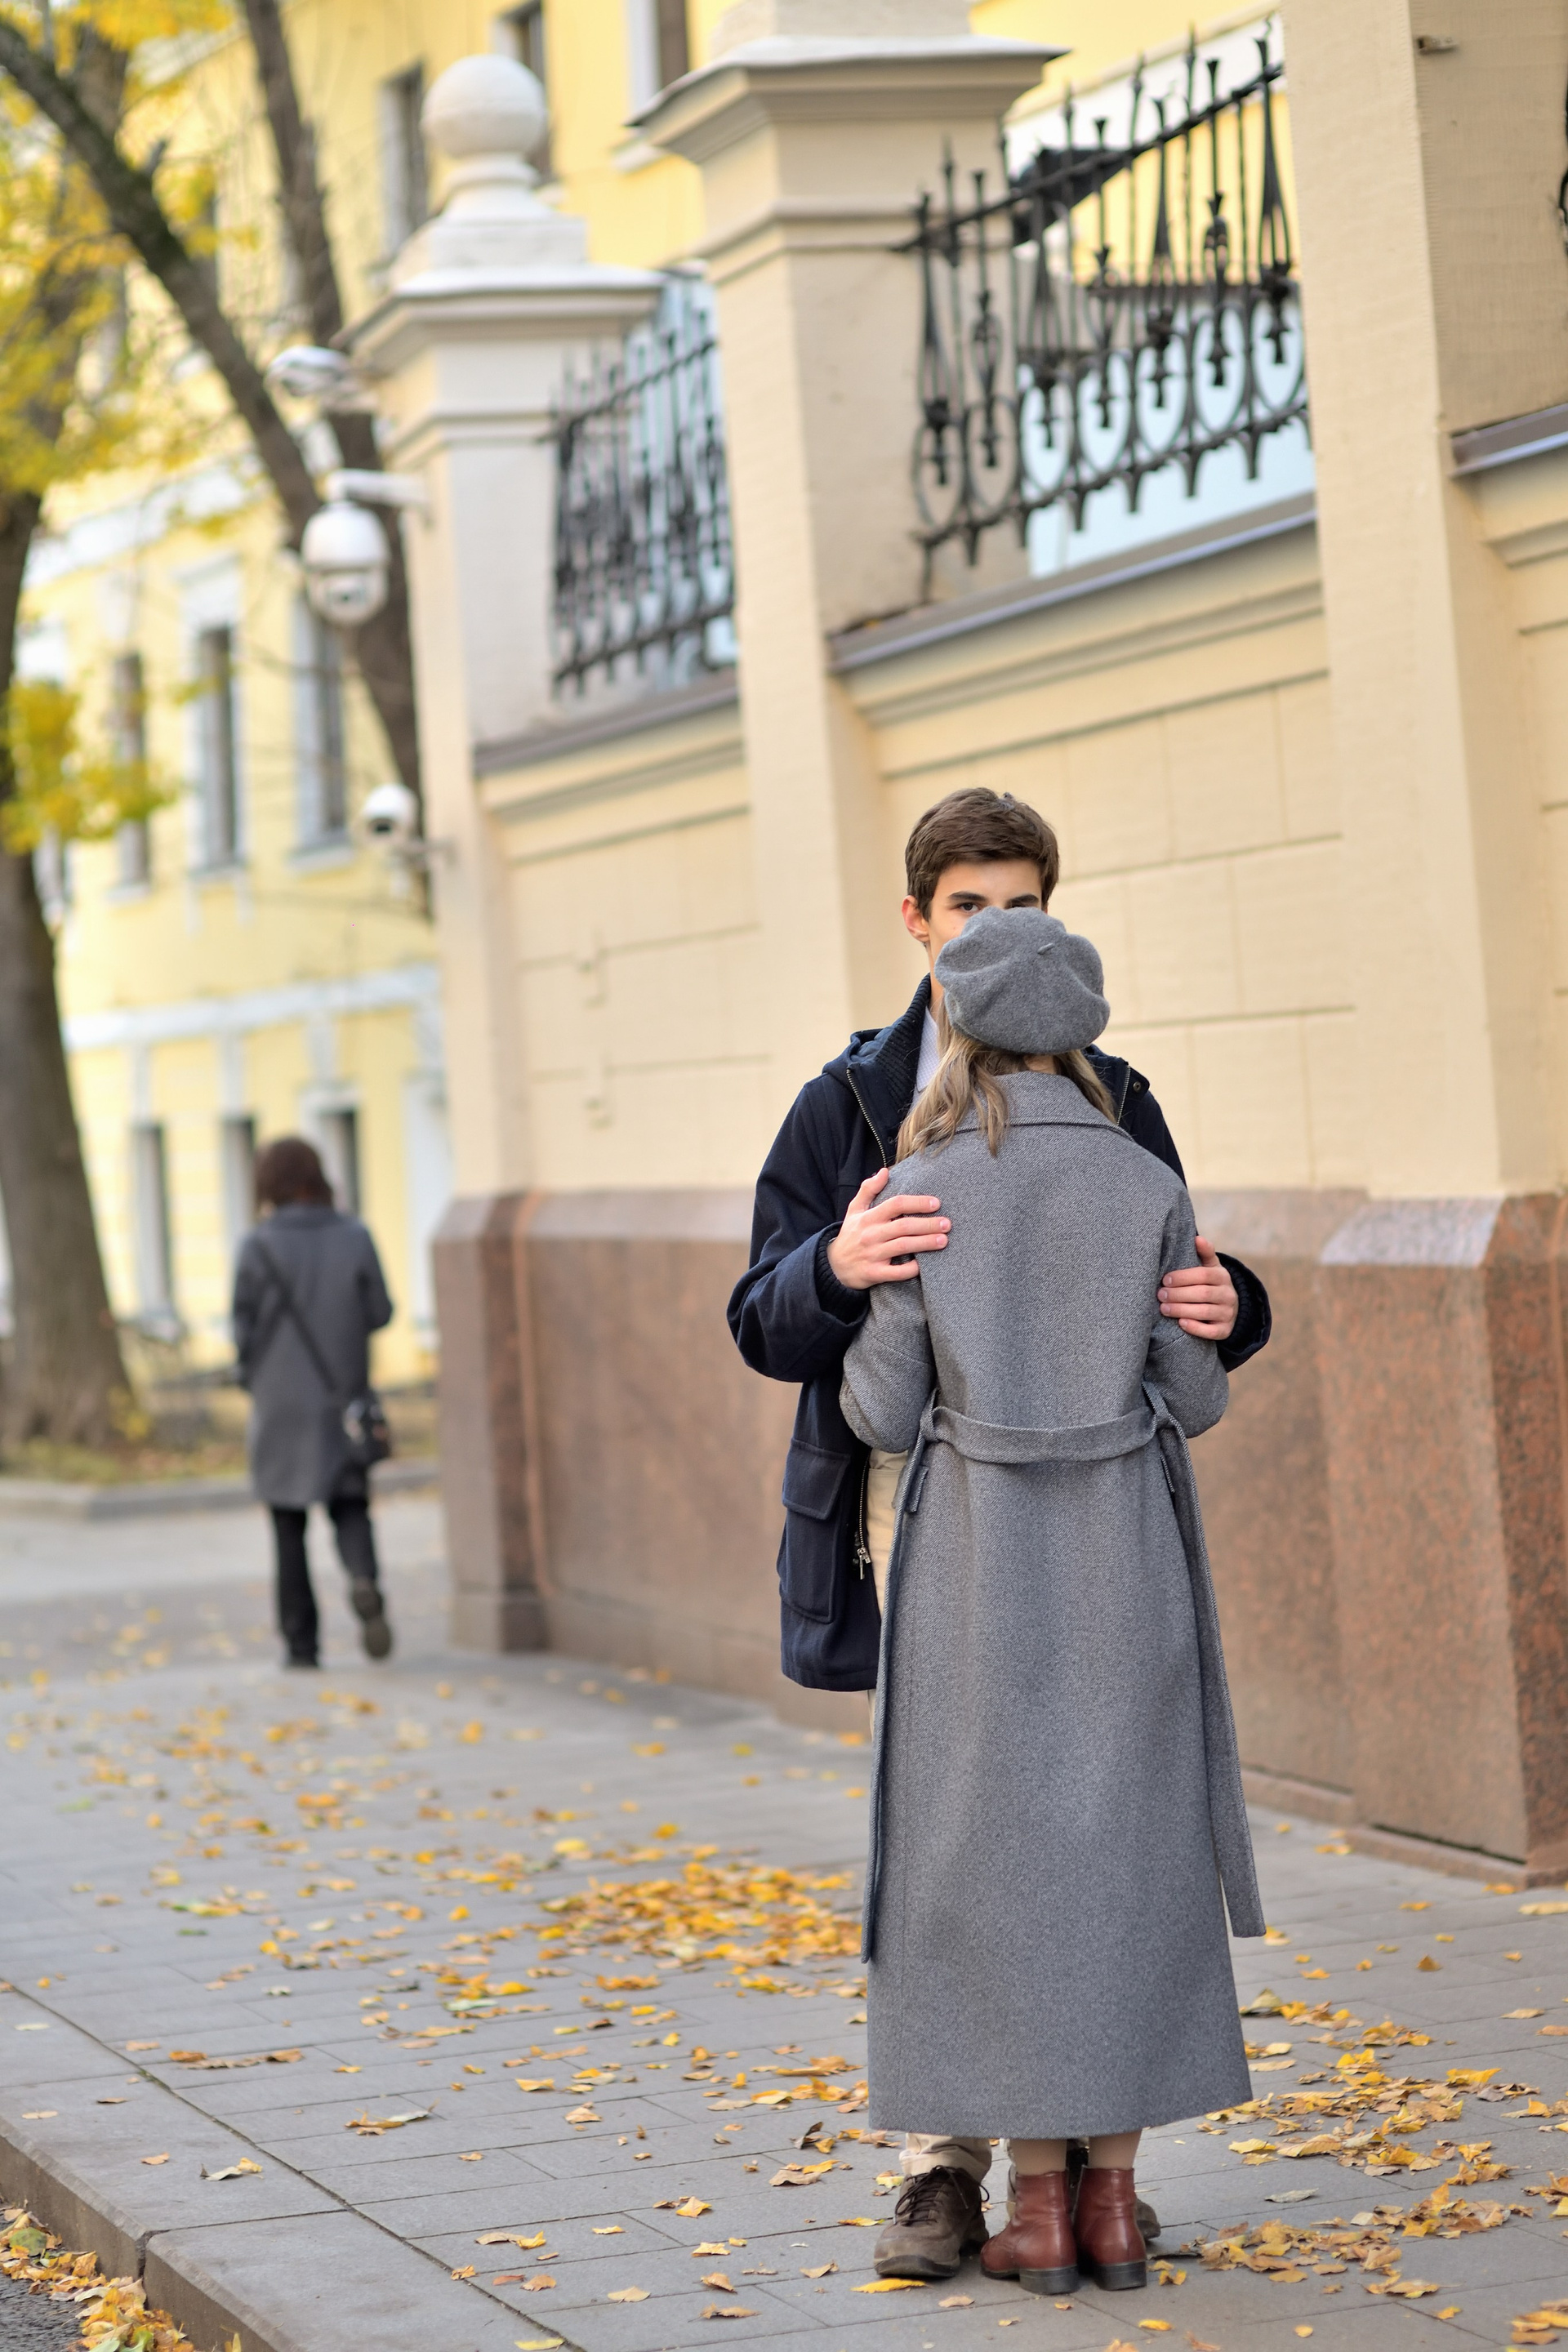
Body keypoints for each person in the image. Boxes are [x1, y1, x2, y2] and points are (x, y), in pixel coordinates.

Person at [727, 785, 1272, 2278]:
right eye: (970, 904)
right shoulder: (846, 1101)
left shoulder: (1122, 1096)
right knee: (979, 1830)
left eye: (1022, 905)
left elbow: (1193, 1287)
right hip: (929, 1501)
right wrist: (838, 1262)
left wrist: (1238, 1302)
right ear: (918, 919)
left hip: (1024, 1477)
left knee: (1031, 1823)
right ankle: (952, 2169)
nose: (994, 929)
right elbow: (763, 1319)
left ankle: (1057, 2177)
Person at [232, 1136, 395, 1668]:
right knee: (350, 1506)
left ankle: (301, 1646)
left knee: (288, 1526)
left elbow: (242, 1329)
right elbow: (381, 1311)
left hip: (279, 1403)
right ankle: (364, 1580)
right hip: (341, 1397)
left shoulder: (257, 1246)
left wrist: (252, 1374)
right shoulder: (355, 1235)